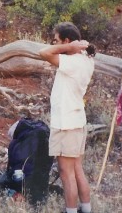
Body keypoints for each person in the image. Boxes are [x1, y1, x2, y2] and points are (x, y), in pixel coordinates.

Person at [39, 22, 94, 213]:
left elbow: (44, 53)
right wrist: (71, 47)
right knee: (77, 169)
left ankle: (71, 211)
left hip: (66, 124)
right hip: (76, 121)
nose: (54, 44)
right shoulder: (85, 59)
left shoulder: (73, 62)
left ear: (67, 41)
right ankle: (86, 209)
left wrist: (68, 48)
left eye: (57, 40)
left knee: (66, 173)